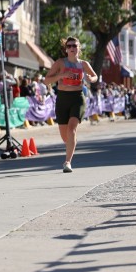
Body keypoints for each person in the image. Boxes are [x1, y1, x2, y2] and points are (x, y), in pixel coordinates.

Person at [43, 36, 98, 172]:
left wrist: (91, 78)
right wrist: (61, 76)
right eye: (69, 46)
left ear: (79, 48)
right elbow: (46, 80)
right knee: (65, 136)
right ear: (66, 49)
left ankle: (67, 162)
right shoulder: (60, 63)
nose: (72, 48)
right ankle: (71, 143)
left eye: (74, 45)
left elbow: (95, 76)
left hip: (77, 98)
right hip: (62, 98)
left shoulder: (84, 64)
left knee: (71, 129)